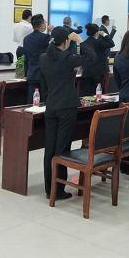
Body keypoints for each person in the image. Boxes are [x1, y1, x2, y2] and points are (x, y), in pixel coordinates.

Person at [39, 27, 96, 200]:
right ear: (66, 41)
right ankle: (59, 190)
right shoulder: (67, 57)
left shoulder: (43, 57)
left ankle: (49, 188)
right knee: (62, 149)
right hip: (67, 107)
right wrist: (81, 41)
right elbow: (91, 58)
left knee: (50, 148)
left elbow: (44, 84)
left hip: (51, 106)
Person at [23, 14, 54, 102]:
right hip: (44, 73)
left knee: (32, 99)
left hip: (31, 73)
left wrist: (26, 73)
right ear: (42, 25)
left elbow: (26, 58)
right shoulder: (46, 38)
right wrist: (53, 31)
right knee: (44, 100)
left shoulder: (26, 39)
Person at [80, 23, 114, 95]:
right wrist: (105, 34)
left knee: (88, 95)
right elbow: (111, 43)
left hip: (87, 73)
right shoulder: (100, 42)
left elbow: (82, 57)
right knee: (99, 94)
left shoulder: (84, 43)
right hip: (99, 73)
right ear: (97, 32)